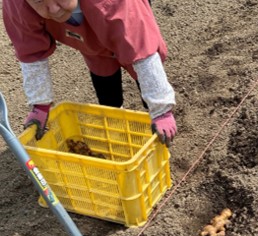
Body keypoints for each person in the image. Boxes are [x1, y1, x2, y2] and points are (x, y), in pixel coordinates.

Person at [2, 0, 177, 146]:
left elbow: (140, 47)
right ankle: (116, 124)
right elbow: (31, 50)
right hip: (87, 38)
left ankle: (155, 121)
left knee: (138, 63)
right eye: (40, 1)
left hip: (120, 15)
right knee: (103, 74)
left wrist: (160, 110)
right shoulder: (17, 5)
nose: (53, 8)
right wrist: (40, 104)